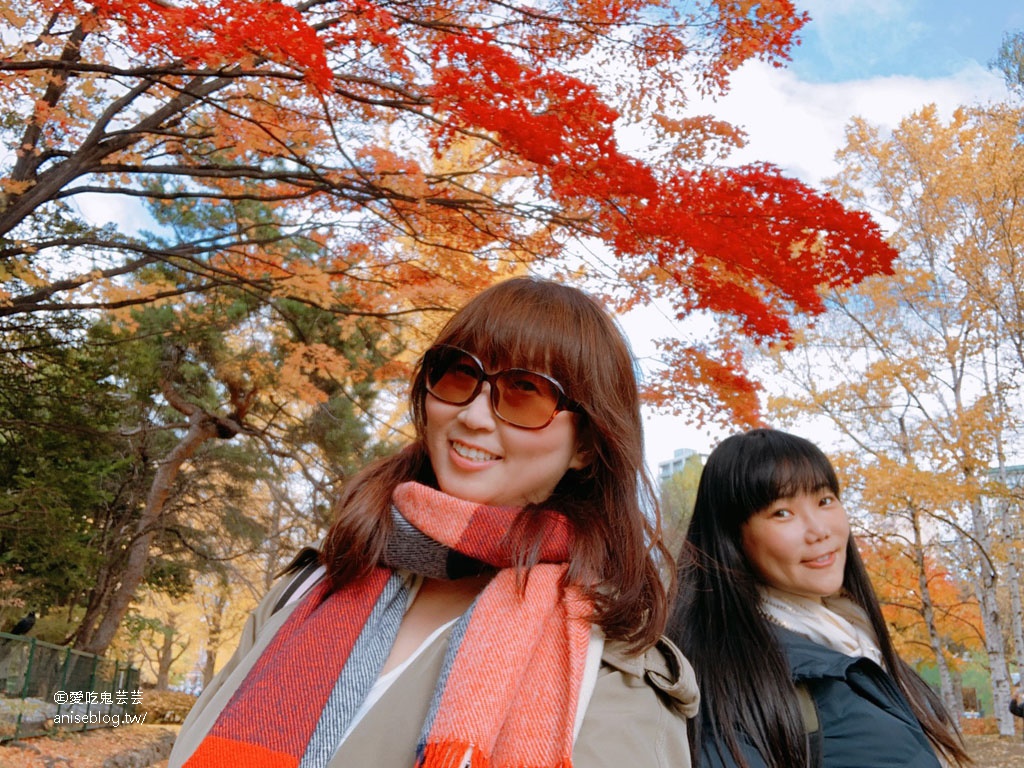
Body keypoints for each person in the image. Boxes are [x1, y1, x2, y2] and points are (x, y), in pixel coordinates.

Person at [169, 276, 697, 768]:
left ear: (585, 444)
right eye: (460, 373)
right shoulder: (315, 586)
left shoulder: (608, 667)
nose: (474, 415)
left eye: (525, 391)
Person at [667, 428, 970, 768]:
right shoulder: (732, 681)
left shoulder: (857, 641)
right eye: (782, 512)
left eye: (825, 501)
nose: (819, 531)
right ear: (732, 539)